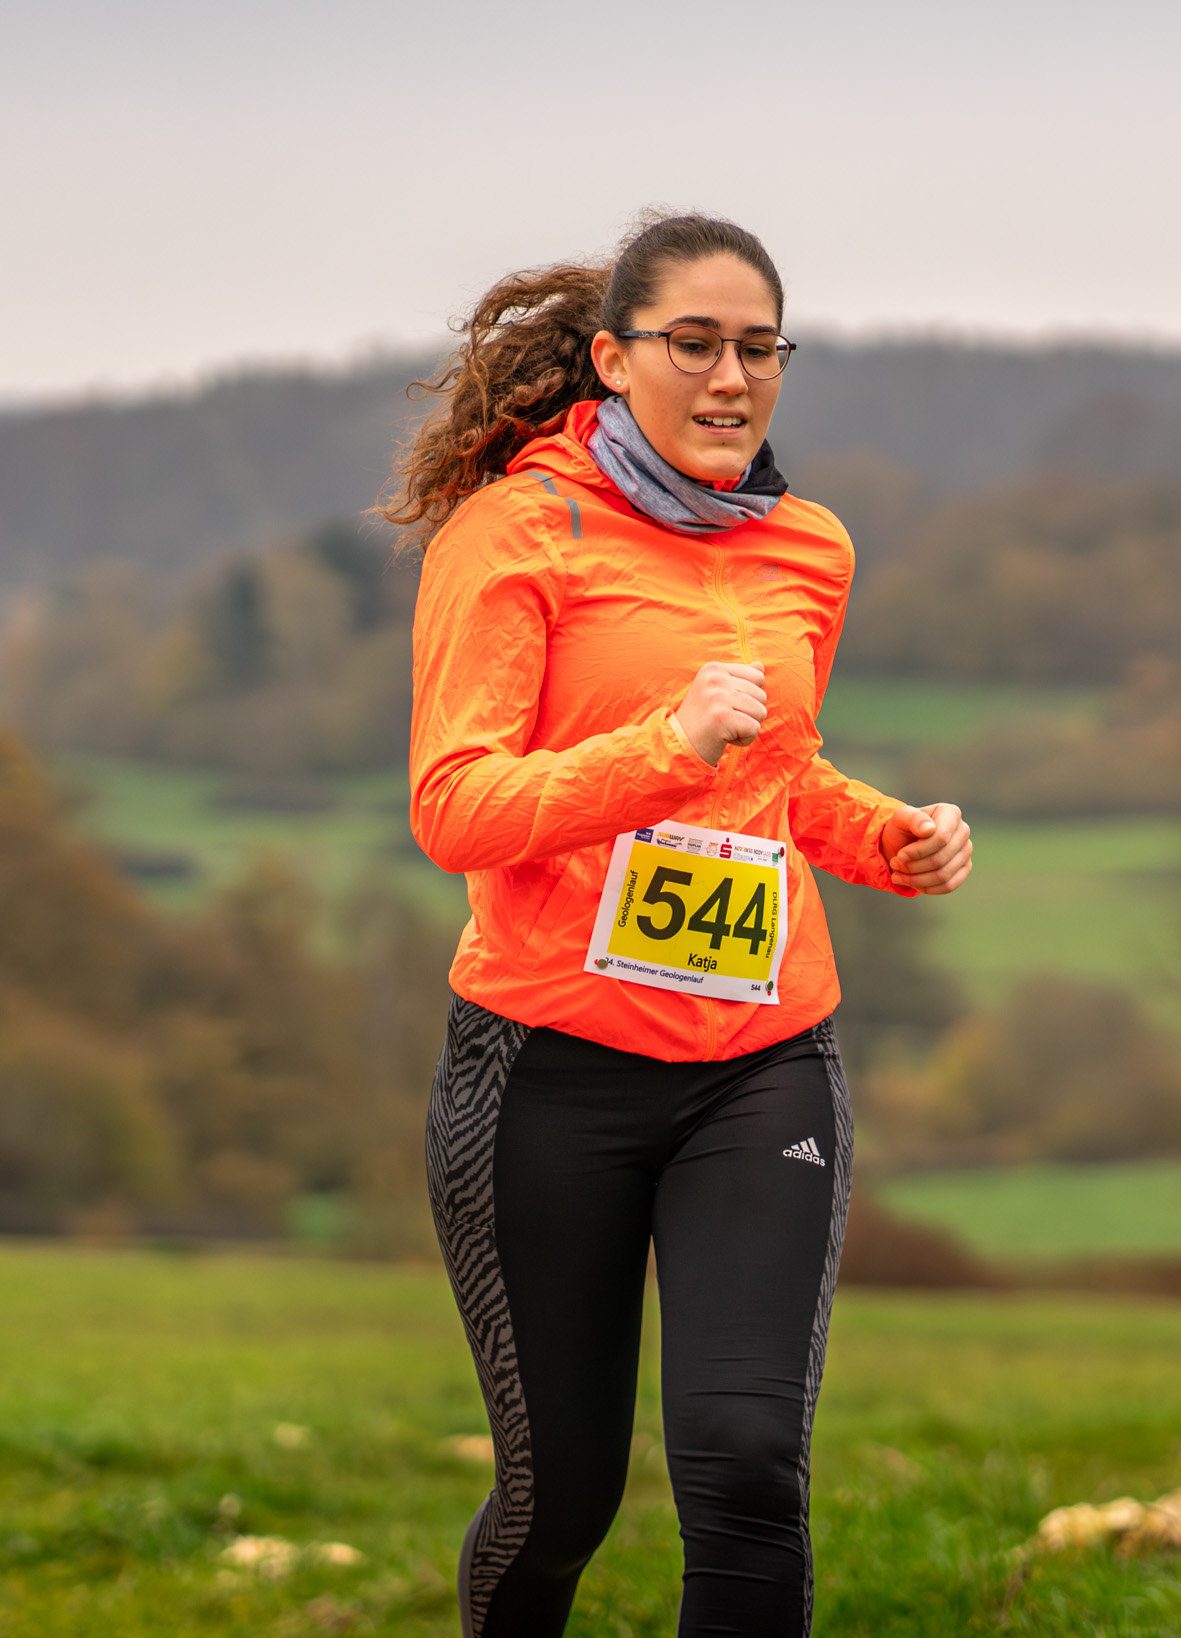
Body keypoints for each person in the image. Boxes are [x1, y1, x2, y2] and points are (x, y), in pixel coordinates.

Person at [387, 212, 972, 1638]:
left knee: (750, 1462)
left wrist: (888, 839)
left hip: (761, 1060)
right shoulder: (516, 532)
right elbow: (455, 806)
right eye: (693, 344)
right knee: (559, 1499)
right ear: (613, 358)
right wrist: (665, 746)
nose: (730, 377)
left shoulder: (808, 546)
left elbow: (778, 776)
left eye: (759, 348)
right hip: (549, 1068)